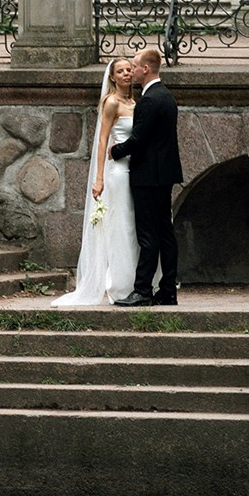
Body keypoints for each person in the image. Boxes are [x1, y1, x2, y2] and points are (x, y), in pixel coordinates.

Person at [55, 59, 141, 309]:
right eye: (120, 71)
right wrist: (99, 178)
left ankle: (138, 281)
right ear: (113, 77)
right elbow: (103, 141)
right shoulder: (111, 102)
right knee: (121, 225)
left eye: (128, 70)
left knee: (134, 226)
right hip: (118, 171)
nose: (126, 74)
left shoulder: (136, 103)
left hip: (136, 170)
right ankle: (120, 284)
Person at [110, 45, 182, 306]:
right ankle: (168, 290)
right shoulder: (167, 97)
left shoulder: (150, 100)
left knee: (148, 235)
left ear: (146, 69)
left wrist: (115, 151)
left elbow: (139, 139)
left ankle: (142, 290)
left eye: (135, 66)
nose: (132, 70)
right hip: (164, 174)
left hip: (149, 177)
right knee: (165, 233)